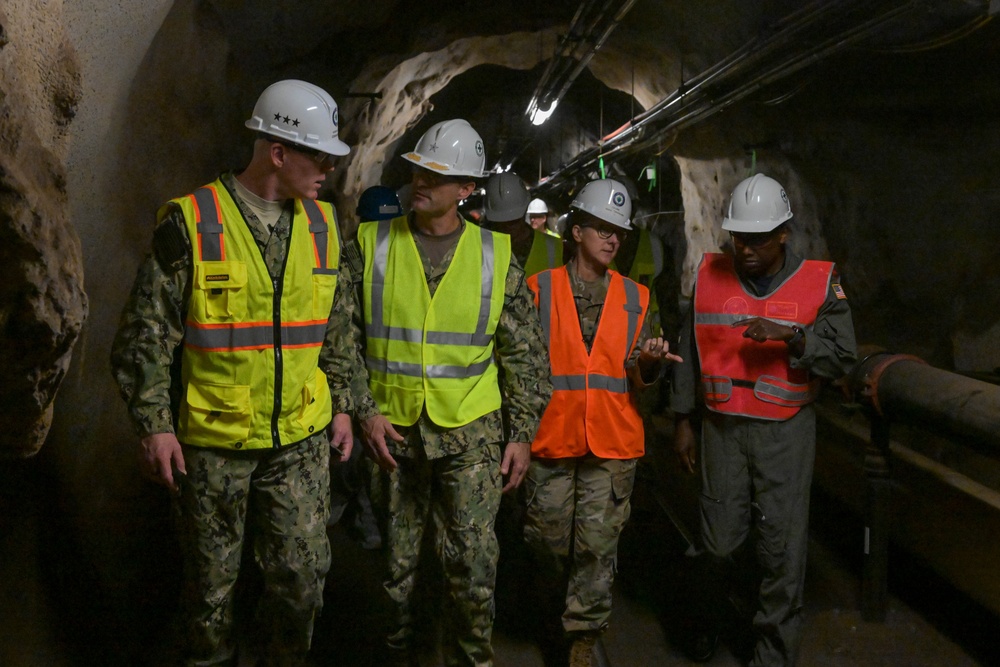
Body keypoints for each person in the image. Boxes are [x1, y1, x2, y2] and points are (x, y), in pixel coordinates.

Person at [110, 79, 358, 666]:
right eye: (318, 155)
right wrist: (154, 425)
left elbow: (340, 332)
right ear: (277, 152)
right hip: (213, 445)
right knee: (209, 592)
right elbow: (144, 334)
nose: (328, 168)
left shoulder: (325, 228)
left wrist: (344, 404)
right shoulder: (192, 222)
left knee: (301, 584)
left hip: (298, 440)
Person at [344, 118, 552, 666]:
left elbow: (526, 357)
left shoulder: (495, 256)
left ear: (466, 190)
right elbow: (339, 339)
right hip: (393, 435)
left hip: (472, 437)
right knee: (397, 576)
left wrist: (522, 435)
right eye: (417, 169)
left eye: (437, 175)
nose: (421, 182)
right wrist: (364, 411)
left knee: (472, 574)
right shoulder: (370, 243)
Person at [670, 173, 857, 666]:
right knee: (717, 543)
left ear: (783, 234)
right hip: (723, 430)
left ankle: (772, 655)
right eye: (738, 237)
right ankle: (706, 621)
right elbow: (690, 351)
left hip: (785, 433)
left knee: (781, 553)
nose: (746, 248)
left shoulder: (819, 283)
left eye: (757, 238)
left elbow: (843, 360)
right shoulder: (711, 276)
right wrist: (683, 419)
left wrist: (795, 337)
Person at [522, 178, 682, 667]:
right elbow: (521, 365)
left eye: (619, 232)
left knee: (596, 547)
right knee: (546, 542)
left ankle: (582, 638)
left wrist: (650, 363)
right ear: (576, 232)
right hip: (551, 437)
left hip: (612, 442)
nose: (612, 239)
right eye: (602, 229)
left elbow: (639, 371)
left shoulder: (637, 297)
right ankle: (552, 612)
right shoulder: (537, 290)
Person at [482, 171, 564, 277]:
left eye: (514, 221)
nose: (509, 226)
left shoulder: (554, 246)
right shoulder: (480, 247)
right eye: (503, 222)